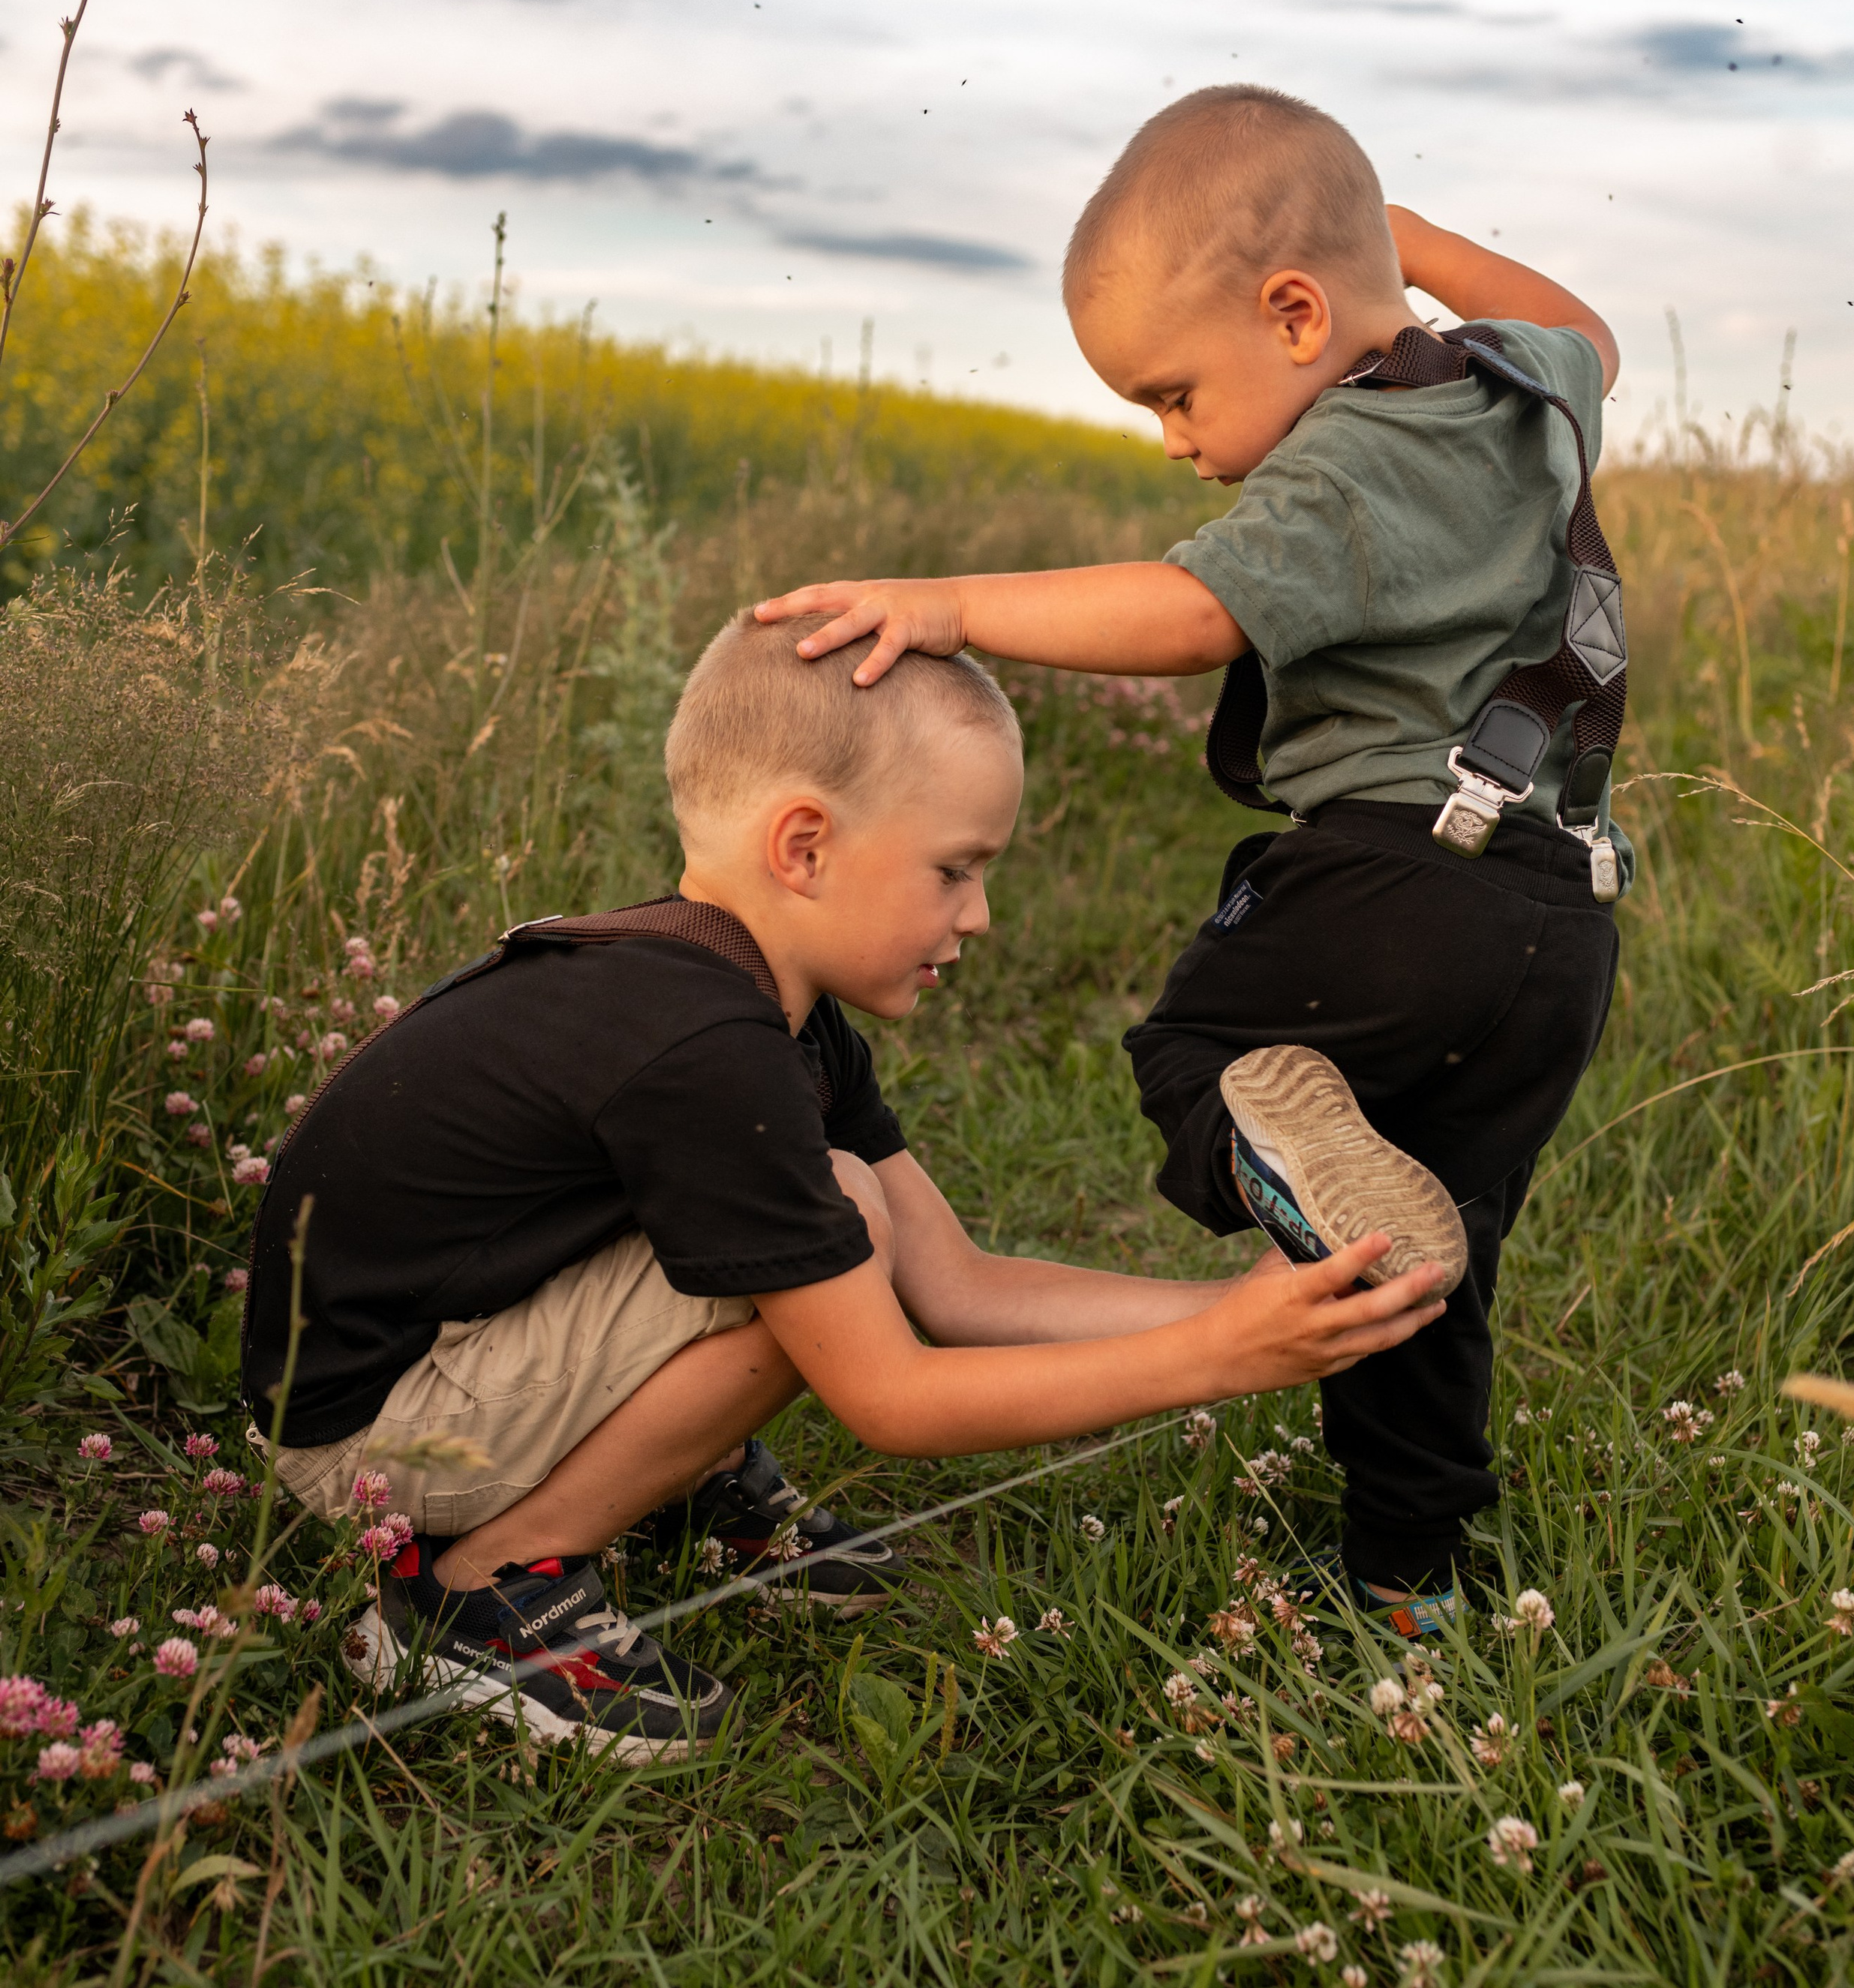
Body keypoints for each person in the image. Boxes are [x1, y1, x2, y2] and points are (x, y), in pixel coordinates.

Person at [242, 611, 1447, 1763]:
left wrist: (1244, 1305)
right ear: (805, 847)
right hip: (378, 1440)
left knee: (840, 1211)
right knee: (841, 1215)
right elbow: (892, 1399)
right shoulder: (705, 1050)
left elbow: (957, 1286)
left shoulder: (762, 1006)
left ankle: (674, 1476)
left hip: (451, 1351)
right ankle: (483, 1591)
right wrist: (1218, 1360)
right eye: (954, 870)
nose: (980, 915)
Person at [754, 83, 1627, 1638]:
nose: (1175, 443)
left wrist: (952, 605)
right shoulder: (1522, 393)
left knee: (1198, 1052)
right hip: (1557, 916)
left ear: (1295, 315)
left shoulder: (1348, 462)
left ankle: (1281, 1161)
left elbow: (1192, 614)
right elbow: (1591, 331)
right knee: (1421, 1256)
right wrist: (1410, 241)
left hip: (1385, 874)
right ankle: (1410, 1583)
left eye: (1173, 394)